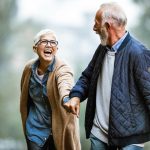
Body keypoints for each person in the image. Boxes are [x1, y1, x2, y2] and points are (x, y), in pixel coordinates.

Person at [63, 2, 150, 150]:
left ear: (108, 26)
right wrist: (76, 96)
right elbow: (87, 77)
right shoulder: (102, 49)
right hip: (99, 133)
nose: (94, 28)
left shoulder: (139, 53)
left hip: (130, 138)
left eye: (96, 23)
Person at [20, 29, 81, 150]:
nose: (49, 45)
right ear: (35, 48)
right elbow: (24, 98)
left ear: (56, 49)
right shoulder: (28, 69)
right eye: (44, 41)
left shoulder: (62, 68)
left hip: (58, 131)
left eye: (53, 42)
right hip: (34, 131)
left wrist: (66, 98)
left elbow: (65, 84)